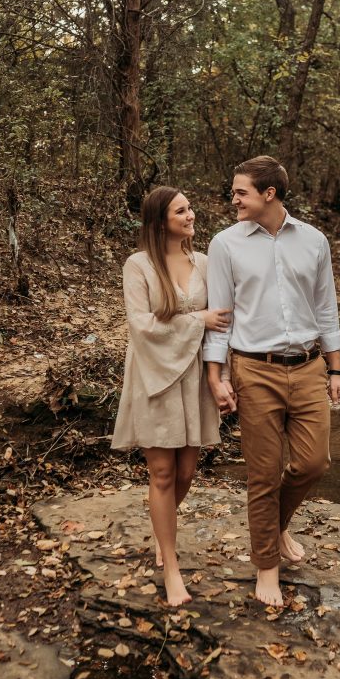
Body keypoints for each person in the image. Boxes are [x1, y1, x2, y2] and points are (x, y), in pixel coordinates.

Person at [203, 156, 340, 606]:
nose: (233, 199)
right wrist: (216, 376)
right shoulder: (226, 244)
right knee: (262, 475)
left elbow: (326, 308)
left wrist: (337, 368)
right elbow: (220, 318)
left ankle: (276, 526)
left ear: (269, 194)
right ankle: (267, 565)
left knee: (313, 463)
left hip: (308, 367)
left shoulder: (313, 241)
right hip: (254, 368)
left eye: (240, 191)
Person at [111, 186, 231, 606]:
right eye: (181, 210)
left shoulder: (204, 262)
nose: (191, 215)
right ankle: (171, 564)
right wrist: (197, 317)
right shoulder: (138, 265)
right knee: (162, 475)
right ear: (160, 221)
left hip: (194, 377)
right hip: (155, 376)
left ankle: (163, 534)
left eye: (191, 208)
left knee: (185, 474)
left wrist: (221, 376)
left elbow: (223, 325)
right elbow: (141, 326)